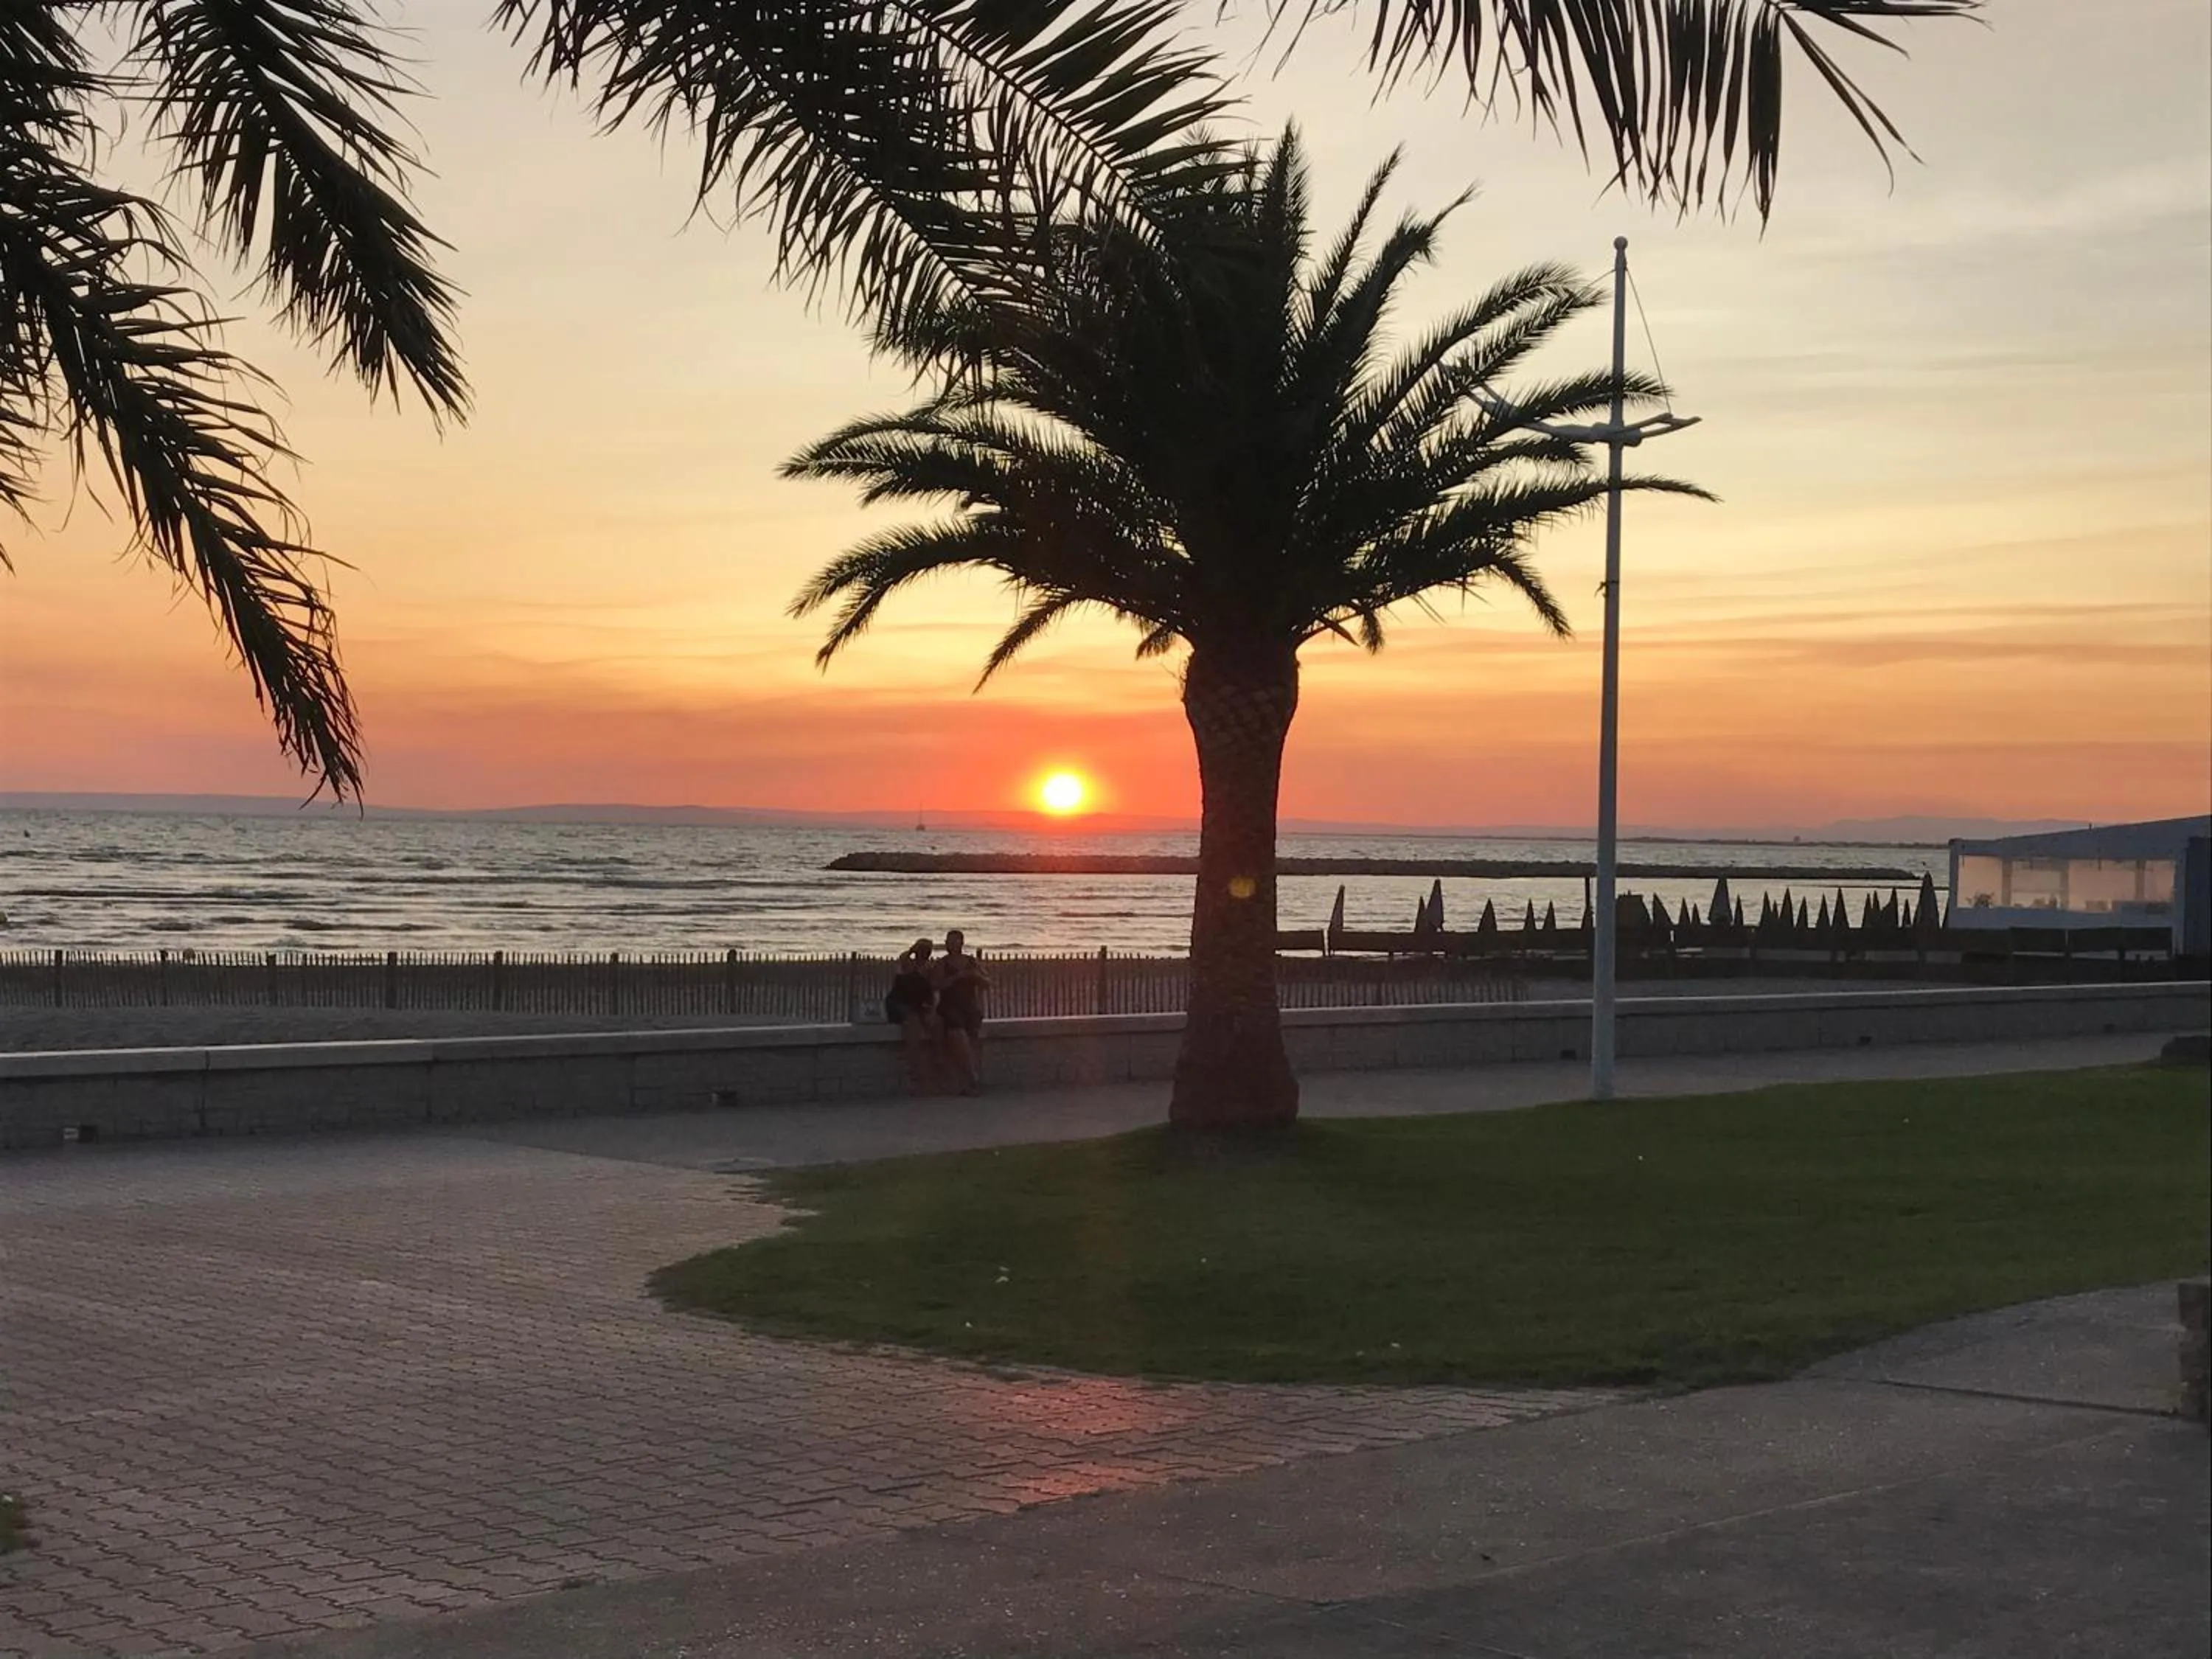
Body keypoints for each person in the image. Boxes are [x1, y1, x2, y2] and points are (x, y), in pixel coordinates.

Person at [931, 928, 992, 1096]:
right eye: (948, 942)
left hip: (969, 1007)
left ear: (961, 943)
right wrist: (957, 977)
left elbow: (987, 983)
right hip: (949, 1007)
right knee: (958, 1035)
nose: (950, 945)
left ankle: (968, 1083)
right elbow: (936, 985)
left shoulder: (971, 962)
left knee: (971, 1042)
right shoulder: (942, 963)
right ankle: (972, 1077)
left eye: (954, 941)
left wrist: (975, 976)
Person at [884, 938, 939, 1093]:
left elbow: (933, 993)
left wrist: (931, 1010)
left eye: (927, 950)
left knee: (937, 1025)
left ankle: (938, 1063)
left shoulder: (929, 970)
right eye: (921, 950)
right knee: (913, 1024)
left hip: (917, 1005)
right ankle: (915, 1071)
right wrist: (912, 949)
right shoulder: (907, 966)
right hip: (899, 1003)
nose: (924, 953)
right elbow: (902, 959)